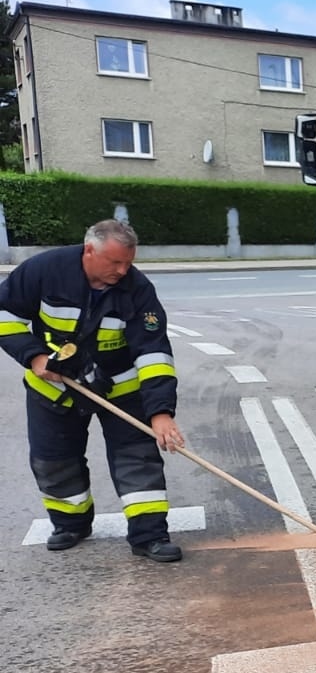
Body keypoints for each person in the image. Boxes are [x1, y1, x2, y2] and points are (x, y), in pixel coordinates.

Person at [0, 219, 186, 562]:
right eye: (115, 262)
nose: (123, 270)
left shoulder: (137, 289)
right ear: (89, 250)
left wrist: (160, 413)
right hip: (55, 387)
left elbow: (154, 352)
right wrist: (36, 357)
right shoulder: (44, 271)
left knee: (138, 459)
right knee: (54, 461)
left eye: (128, 262)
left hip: (120, 390)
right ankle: (70, 523)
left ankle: (150, 536)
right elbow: (3, 315)